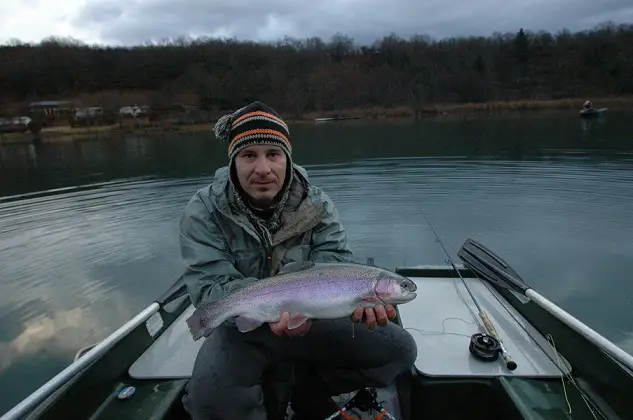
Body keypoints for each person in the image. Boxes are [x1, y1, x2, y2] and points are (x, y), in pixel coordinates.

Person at [178, 101, 418, 420]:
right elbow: (208, 286)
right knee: (208, 401)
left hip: (316, 321)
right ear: (233, 161)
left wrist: (334, 310)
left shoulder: (316, 205)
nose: (263, 168)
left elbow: (333, 262)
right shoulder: (204, 211)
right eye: (249, 155)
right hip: (243, 325)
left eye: (273, 155)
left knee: (400, 351)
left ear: (288, 159)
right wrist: (262, 308)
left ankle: (308, 390)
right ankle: (267, 397)